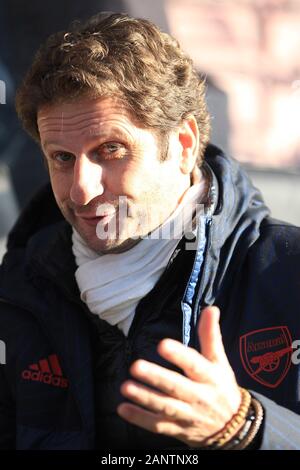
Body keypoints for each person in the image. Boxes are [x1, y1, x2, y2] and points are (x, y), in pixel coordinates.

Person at [0, 12, 300, 451]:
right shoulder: (18, 292)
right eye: (62, 158)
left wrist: (249, 427)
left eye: (110, 150)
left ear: (181, 146)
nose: (82, 190)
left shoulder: (287, 277)